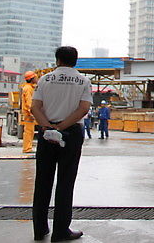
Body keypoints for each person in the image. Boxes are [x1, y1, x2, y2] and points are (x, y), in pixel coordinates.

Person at [30, 46, 92, 242]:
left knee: (42, 182)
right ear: (75, 61)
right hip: (71, 134)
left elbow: (35, 107)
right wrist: (62, 128)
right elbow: (83, 109)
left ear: (57, 60)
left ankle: (40, 229)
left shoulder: (45, 79)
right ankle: (60, 231)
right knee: (65, 182)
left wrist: (48, 127)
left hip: (46, 133)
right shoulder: (83, 80)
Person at [21, 70, 38, 154]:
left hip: (28, 113)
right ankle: (27, 148)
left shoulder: (29, 87)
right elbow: (28, 103)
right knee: (29, 131)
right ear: (32, 78)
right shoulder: (28, 89)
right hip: (28, 114)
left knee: (29, 131)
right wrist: (32, 113)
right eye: (35, 77)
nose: (37, 78)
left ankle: (28, 147)